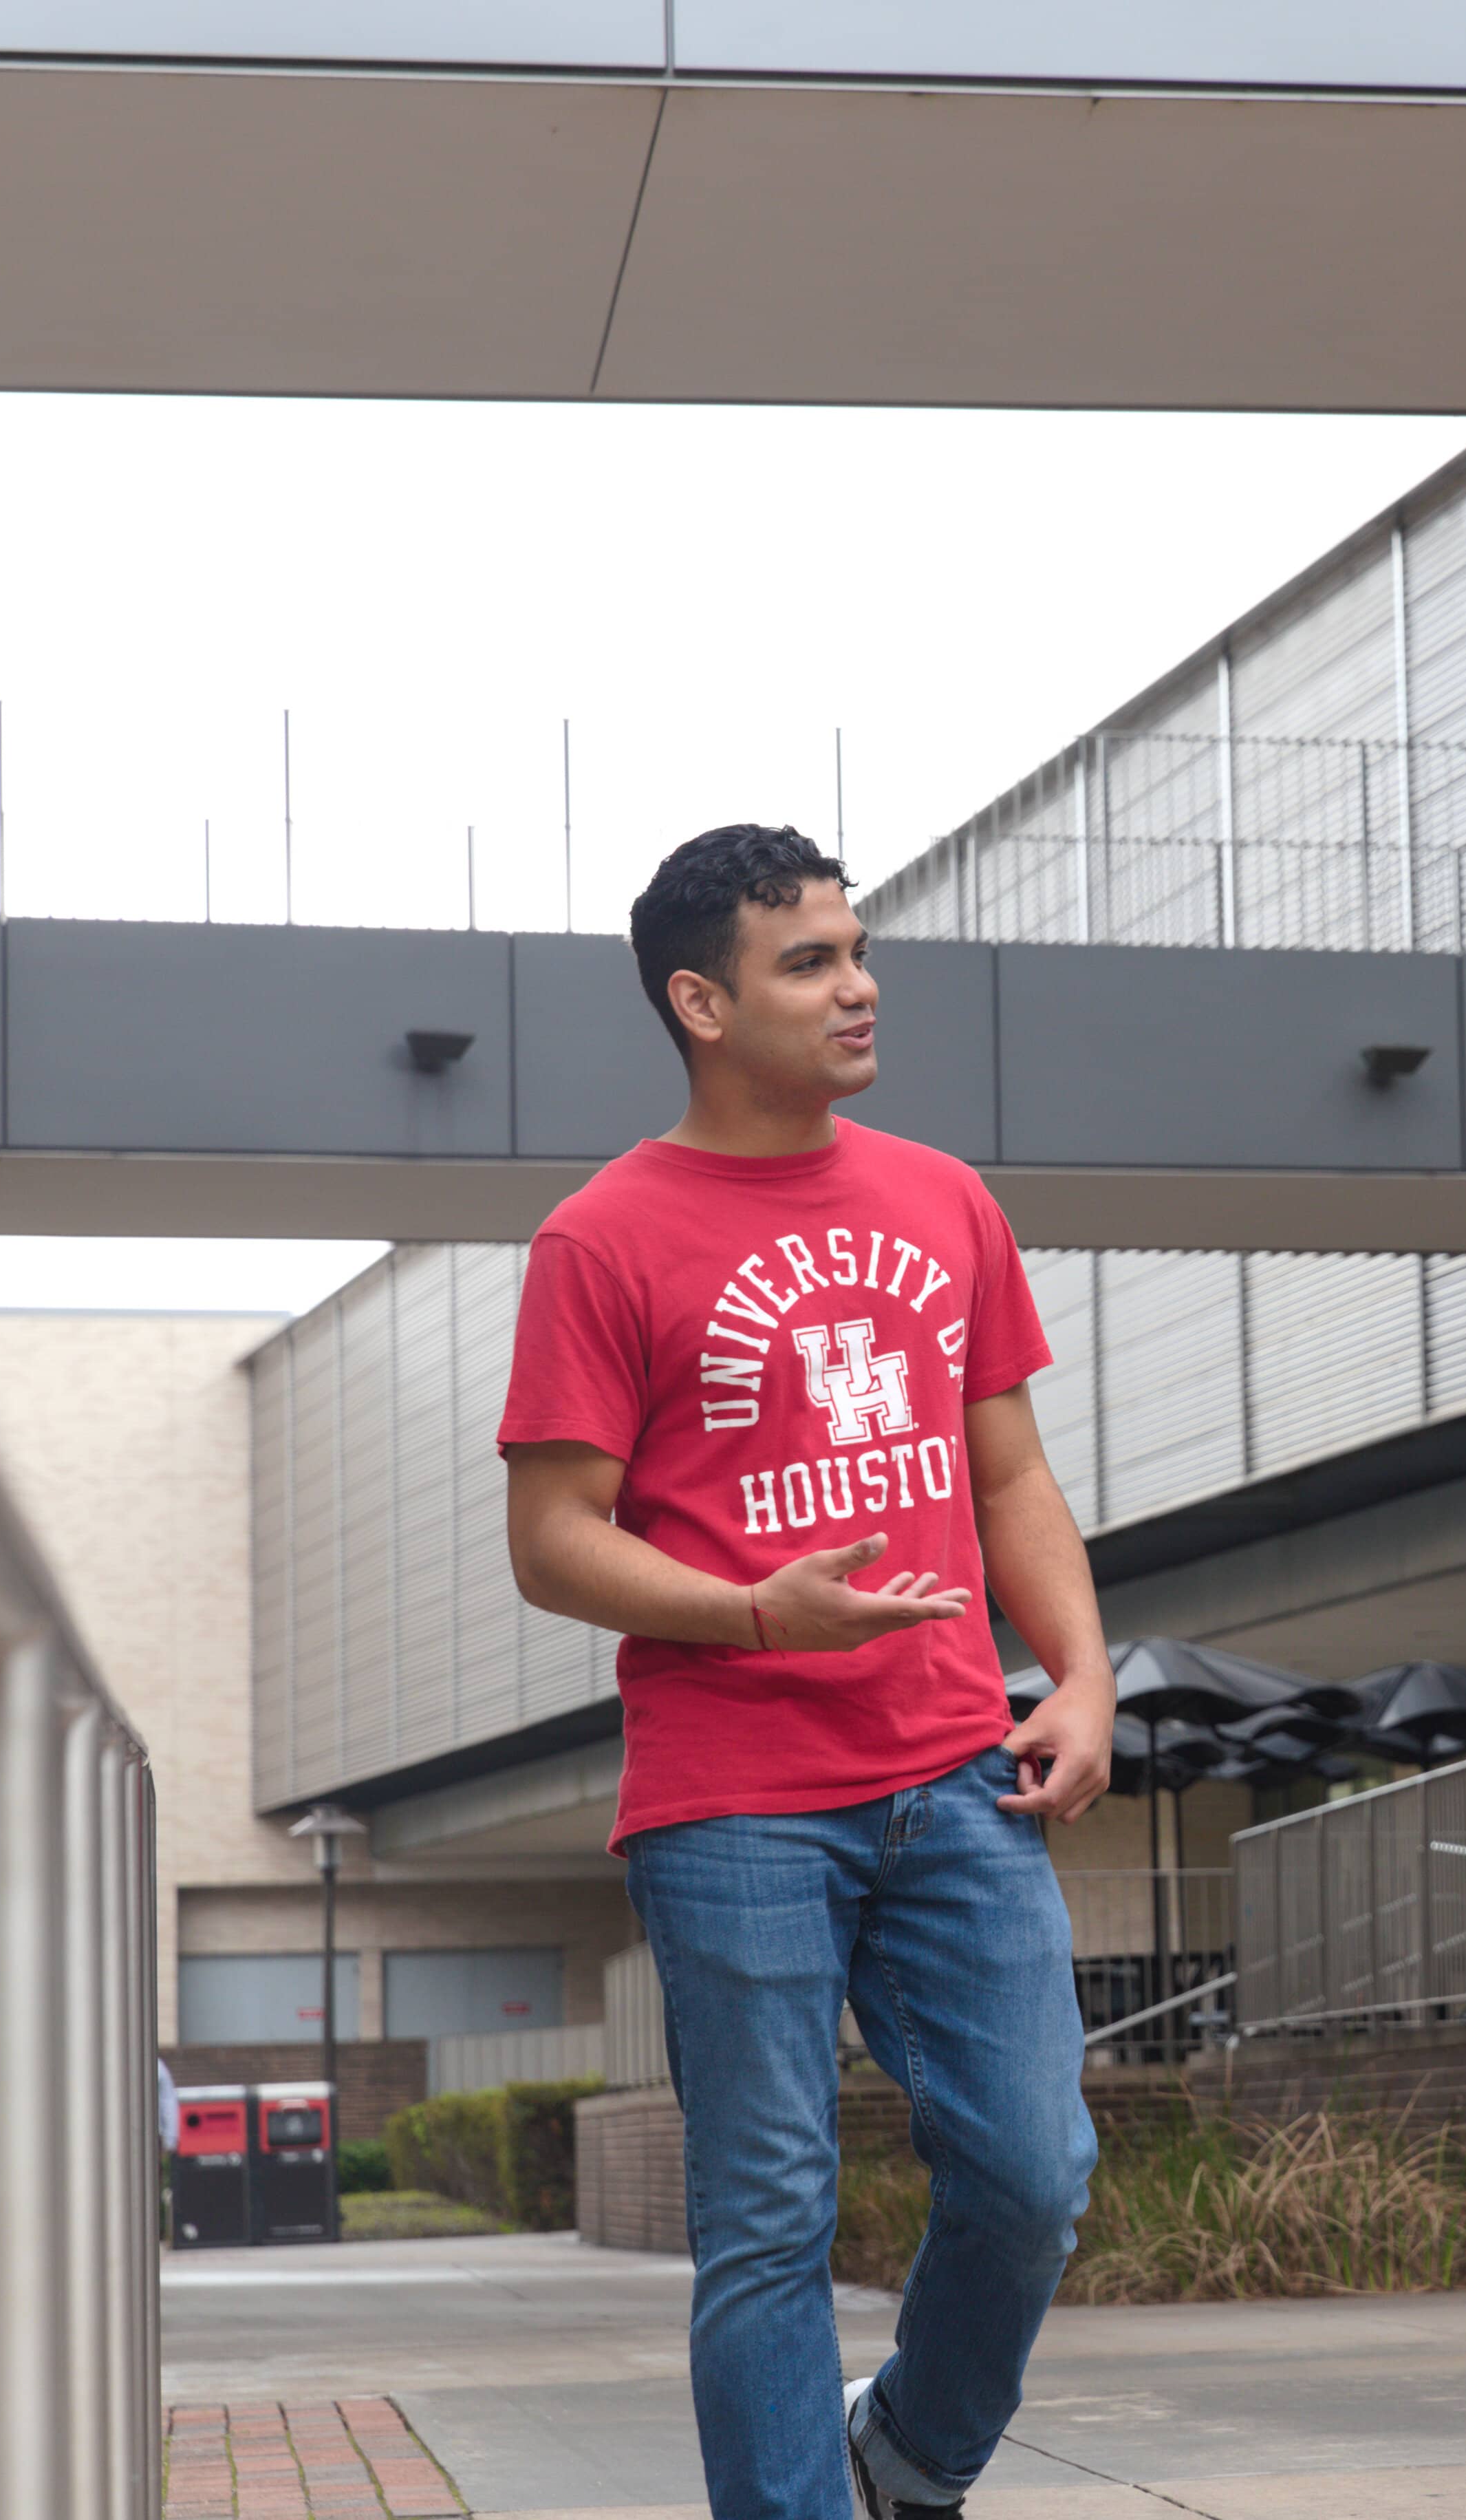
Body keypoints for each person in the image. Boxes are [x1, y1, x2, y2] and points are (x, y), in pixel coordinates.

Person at [501, 824, 1119, 2519]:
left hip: (954, 1773)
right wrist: (756, 1609)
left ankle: (910, 2452)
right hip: (734, 1802)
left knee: (1032, 2172)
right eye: (809, 963)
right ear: (702, 1001)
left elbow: (1009, 1476)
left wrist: (1080, 1671)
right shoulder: (602, 1241)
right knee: (765, 2215)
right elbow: (554, 1536)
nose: (858, 988)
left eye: (857, 950)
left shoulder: (943, 1198)